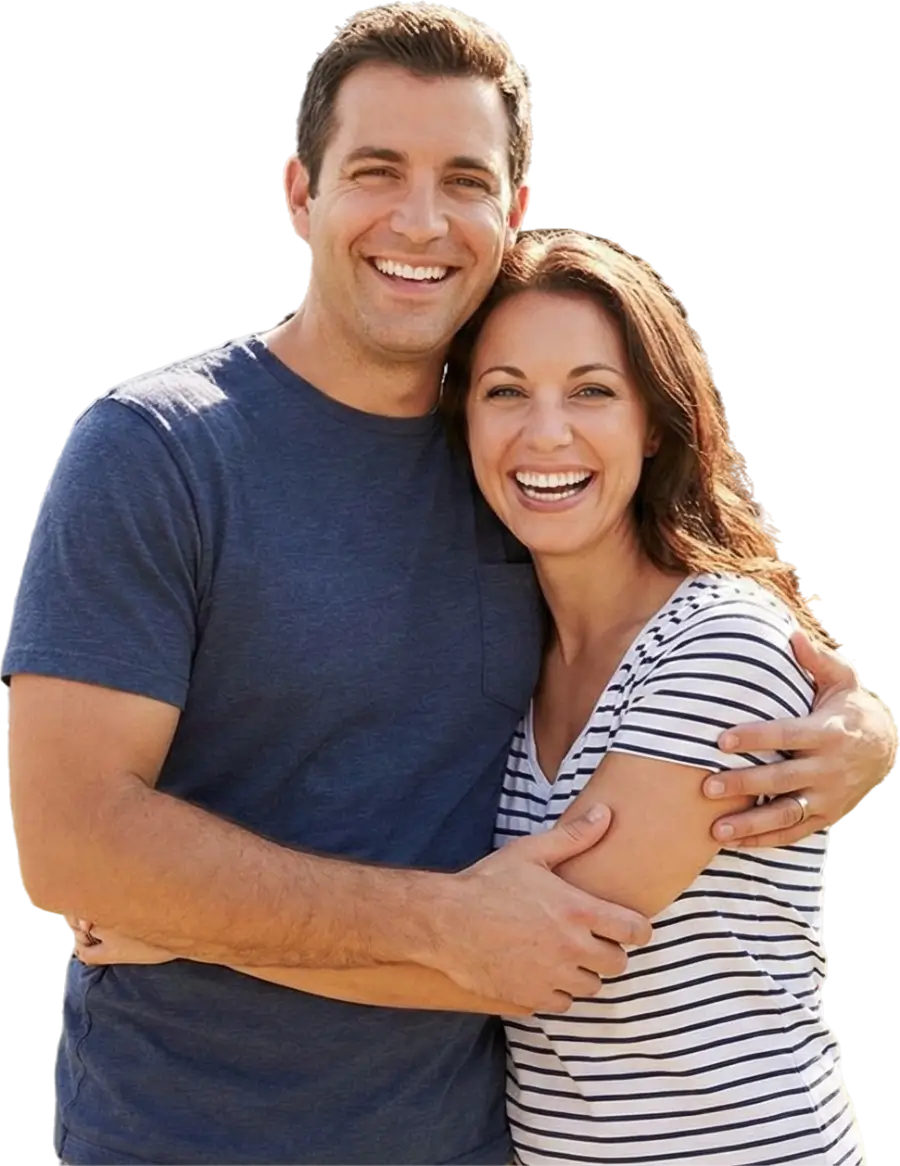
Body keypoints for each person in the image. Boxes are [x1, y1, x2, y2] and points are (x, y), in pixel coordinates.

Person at [5, 6, 892, 1166]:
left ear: (510, 209)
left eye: (463, 178)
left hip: (469, 1139)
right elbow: (68, 839)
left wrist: (865, 728)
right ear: (299, 193)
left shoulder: (517, 465)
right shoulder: (157, 448)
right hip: (188, 1131)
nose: (419, 220)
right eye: (377, 170)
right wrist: (441, 923)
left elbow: (704, 623)